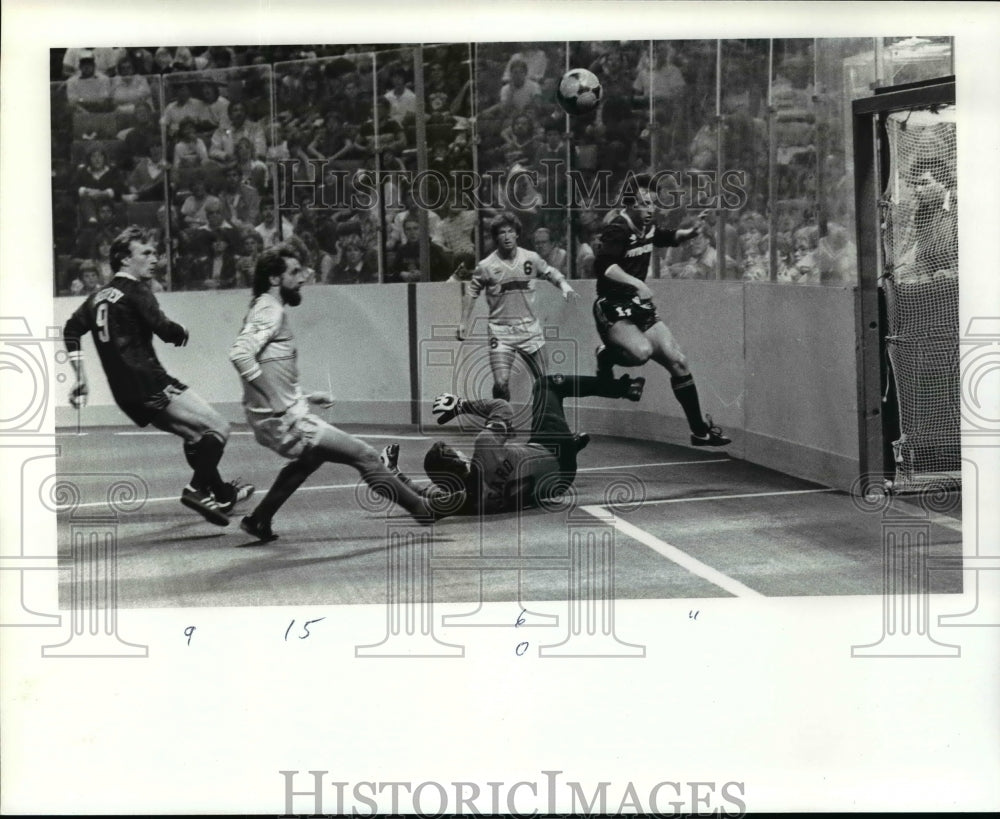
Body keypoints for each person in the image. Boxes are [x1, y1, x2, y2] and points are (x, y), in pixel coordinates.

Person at [229, 244, 459, 542]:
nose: (302, 279)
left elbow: (269, 369)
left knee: (310, 460)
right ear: (274, 279)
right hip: (286, 421)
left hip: (278, 417)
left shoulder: (264, 307)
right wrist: (277, 402)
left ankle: (260, 518)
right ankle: (421, 510)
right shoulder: (269, 310)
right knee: (364, 455)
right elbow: (240, 354)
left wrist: (306, 396)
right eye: (294, 272)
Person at [62, 226, 254, 526]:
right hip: (150, 381)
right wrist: (184, 333)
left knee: (194, 436)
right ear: (125, 260)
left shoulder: (98, 297)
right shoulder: (137, 290)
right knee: (219, 427)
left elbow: (71, 330)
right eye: (146, 253)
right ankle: (196, 489)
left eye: (154, 252)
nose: (155, 258)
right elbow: (166, 331)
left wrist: (80, 377)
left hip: (125, 395)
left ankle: (221, 493)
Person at [381, 370, 645, 516]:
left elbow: (424, 496)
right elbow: (502, 407)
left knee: (522, 452)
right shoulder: (485, 447)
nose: (461, 451)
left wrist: (391, 473)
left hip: (558, 485)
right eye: (456, 452)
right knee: (546, 385)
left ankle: (573, 443)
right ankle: (623, 388)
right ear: (458, 459)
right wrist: (462, 405)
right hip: (554, 451)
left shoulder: (464, 503)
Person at [592, 174, 731, 447]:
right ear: (630, 204)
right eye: (644, 204)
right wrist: (636, 283)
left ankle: (699, 431)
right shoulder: (617, 228)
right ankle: (605, 356)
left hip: (638, 305)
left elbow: (664, 237)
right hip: (611, 305)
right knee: (641, 353)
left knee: (677, 360)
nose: (650, 209)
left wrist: (687, 234)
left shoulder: (648, 224)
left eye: (653, 203)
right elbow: (604, 267)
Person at [457, 212, 576, 405]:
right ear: (496, 237)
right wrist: (463, 322)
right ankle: (502, 420)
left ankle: (546, 425)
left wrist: (564, 286)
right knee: (501, 382)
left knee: (545, 381)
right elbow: (471, 292)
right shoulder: (486, 265)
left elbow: (550, 272)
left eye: (510, 231)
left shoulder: (531, 258)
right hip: (501, 331)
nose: (506, 236)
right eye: (501, 232)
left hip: (530, 329)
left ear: (517, 234)